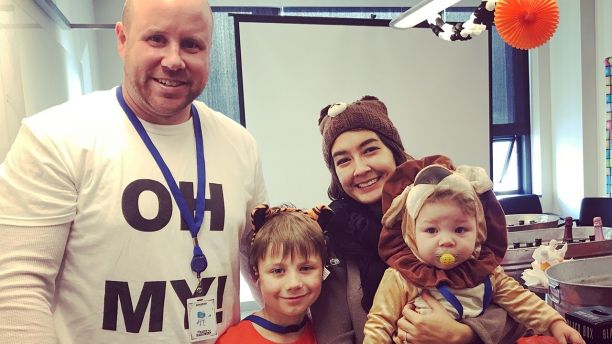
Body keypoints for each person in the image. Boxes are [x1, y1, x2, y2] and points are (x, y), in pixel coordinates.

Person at [0, 0, 266, 343]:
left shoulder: (239, 144)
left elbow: (264, 261)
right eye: (156, 39)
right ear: (122, 39)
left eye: (191, 44)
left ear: (208, 50)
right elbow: (17, 288)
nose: (173, 60)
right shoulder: (54, 137)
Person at [310, 95, 526, 344]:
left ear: (393, 151)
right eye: (343, 160)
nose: (360, 168)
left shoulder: (451, 209)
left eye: (370, 149)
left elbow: (515, 308)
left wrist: (464, 334)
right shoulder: (333, 238)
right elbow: (334, 337)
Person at [364, 164, 584, 344]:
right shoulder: (401, 277)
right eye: (431, 230)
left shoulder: (487, 273)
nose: (447, 240)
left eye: (460, 229)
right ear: (411, 234)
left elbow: (522, 301)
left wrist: (555, 323)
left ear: (478, 231)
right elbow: (379, 324)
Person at [218, 204, 332, 344]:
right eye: (278, 271)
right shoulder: (233, 341)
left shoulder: (328, 333)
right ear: (256, 273)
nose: (294, 283)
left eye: (306, 268)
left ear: (323, 270)